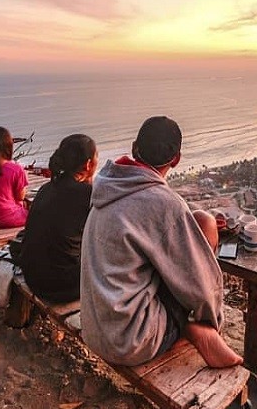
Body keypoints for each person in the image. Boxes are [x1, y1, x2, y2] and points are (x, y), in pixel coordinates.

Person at [80, 116, 242, 368]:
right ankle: (195, 329)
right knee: (206, 224)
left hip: (94, 329)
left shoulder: (107, 187)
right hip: (131, 341)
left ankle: (190, 326)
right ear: (176, 159)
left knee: (198, 220)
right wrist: (212, 321)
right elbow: (198, 281)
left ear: (134, 148)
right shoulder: (164, 204)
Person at [20, 134, 97, 303]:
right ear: (88, 164)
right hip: (62, 287)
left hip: (33, 277)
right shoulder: (88, 194)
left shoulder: (45, 189)